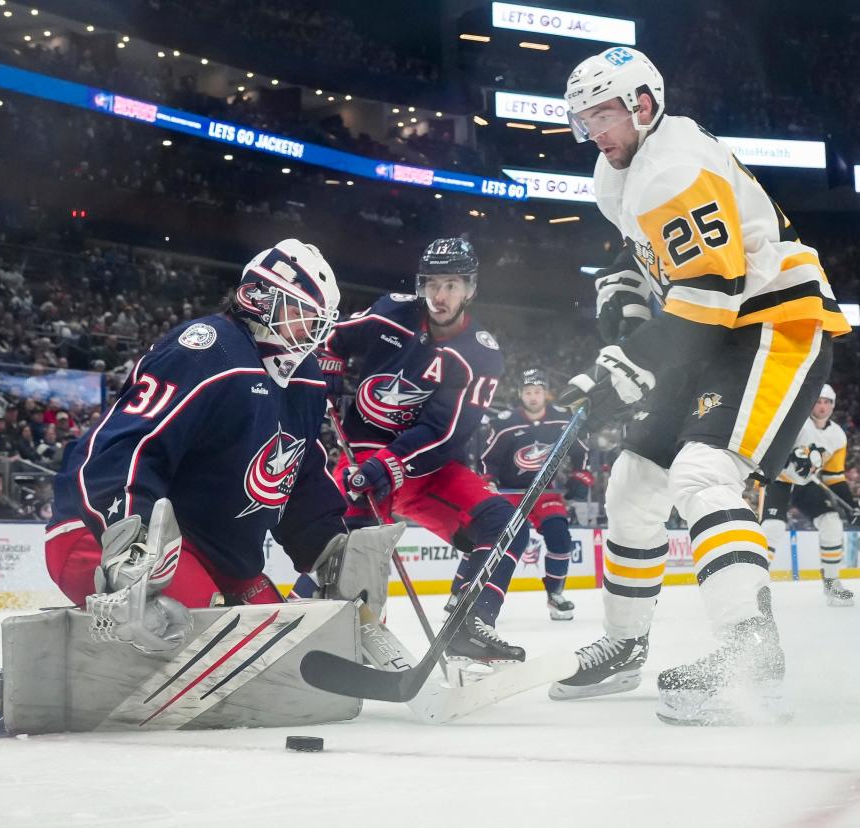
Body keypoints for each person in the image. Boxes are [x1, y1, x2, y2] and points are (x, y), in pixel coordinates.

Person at [548, 46, 850, 725]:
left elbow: (712, 294)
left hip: (770, 324)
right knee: (633, 480)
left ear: (643, 105)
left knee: (702, 475)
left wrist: (635, 360)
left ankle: (751, 659)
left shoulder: (674, 167)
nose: (595, 131)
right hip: (715, 331)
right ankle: (626, 645)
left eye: (604, 115)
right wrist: (624, 294)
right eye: (584, 119)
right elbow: (653, 257)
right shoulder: (617, 173)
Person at [45, 239, 400, 653]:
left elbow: (299, 478)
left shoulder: (304, 376)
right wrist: (128, 539)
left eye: (317, 321)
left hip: (215, 553)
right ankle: (11, 687)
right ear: (256, 298)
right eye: (302, 315)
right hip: (109, 534)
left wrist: (332, 550)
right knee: (207, 640)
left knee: (280, 646)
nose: (311, 332)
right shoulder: (209, 348)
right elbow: (127, 445)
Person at [301, 238, 529, 666]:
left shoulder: (481, 354)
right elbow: (330, 335)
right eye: (432, 284)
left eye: (452, 285)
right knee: (341, 548)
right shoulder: (392, 311)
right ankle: (317, 637)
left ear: (470, 289)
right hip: (363, 453)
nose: (440, 296)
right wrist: (327, 362)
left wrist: (391, 465)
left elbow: (446, 431)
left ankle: (469, 622)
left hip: (428, 466)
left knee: (506, 524)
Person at [478, 369, 577, 620]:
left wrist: (580, 476)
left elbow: (580, 447)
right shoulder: (505, 421)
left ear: (546, 394)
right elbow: (489, 458)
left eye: (538, 392)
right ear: (521, 394)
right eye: (528, 392)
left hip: (545, 491)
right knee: (493, 541)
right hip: (510, 492)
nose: (533, 397)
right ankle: (462, 593)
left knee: (560, 537)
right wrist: (488, 480)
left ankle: (556, 594)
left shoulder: (562, 420)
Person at [761, 385, 860, 606]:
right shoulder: (796, 422)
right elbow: (769, 448)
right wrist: (790, 458)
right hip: (778, 480)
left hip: (806, 483)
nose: (822, 406)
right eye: (818, 401)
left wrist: (852, 506)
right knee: (772, 529)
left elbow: (835, 477)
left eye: (827, 402)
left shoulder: (838, 435)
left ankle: (832, 584)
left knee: (832, 523)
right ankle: (756, 587)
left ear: (833, 405)